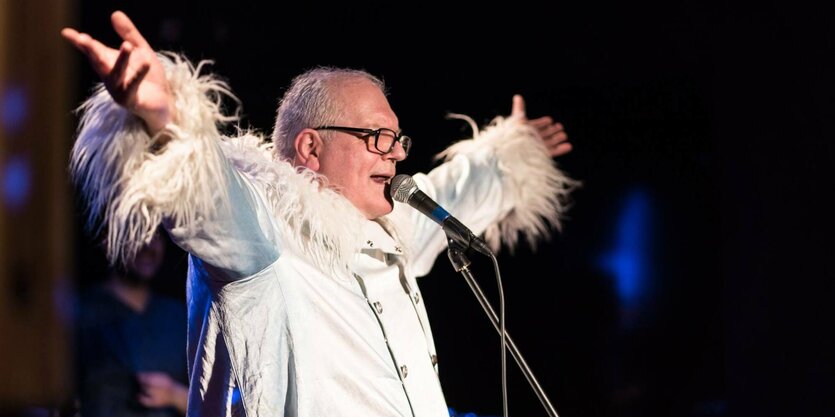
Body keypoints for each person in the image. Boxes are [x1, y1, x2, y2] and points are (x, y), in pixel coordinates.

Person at [62, 10, 577, 417]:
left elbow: (448, 193)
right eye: (378, 138)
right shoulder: (265, 230)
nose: (396, 154)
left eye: (397, 139)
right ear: (310, 148)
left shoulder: (389, 228)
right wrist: (165, 118)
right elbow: (206, 194)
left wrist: (506, 157)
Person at [76, 231, 189, 417]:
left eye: (157, 236)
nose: (148, 246)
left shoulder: (177, 317)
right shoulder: (80, 314)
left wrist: (175, 395)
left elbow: (213, 404)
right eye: (137, 233)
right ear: (108, 243)